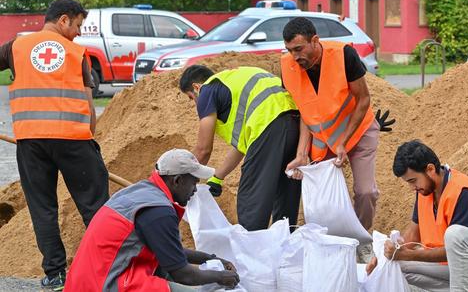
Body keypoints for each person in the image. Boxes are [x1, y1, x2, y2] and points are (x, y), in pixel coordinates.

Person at [0, 0, 109, 290]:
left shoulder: (15, 47)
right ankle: (111, 268)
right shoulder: (76, 53)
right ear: (63, 20)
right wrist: (90, 140)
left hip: (31, 141)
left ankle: (55, 274)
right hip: (73, 139)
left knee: (42, 207)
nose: (78, 33)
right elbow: (88, 106)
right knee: (96, 207)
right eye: (77, 25)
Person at [65, 149, 240, 291]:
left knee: (163, 269)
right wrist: (220, 277)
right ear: (177, 181)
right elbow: (182, 274)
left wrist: (210, 258)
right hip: (106, 284)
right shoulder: (159, 211)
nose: (195, 190)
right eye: (193, 183)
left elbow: (171, 252)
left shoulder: (142, 193)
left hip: (90, 280)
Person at [281, 18, 381, 254]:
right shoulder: (288, 66)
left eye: (298, 49)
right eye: (289, 51)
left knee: (365, 192)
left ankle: (361, 241)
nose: (294, 57)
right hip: (323, 138)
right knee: (323, 198)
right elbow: (305, 111)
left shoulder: (344, 55)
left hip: (358, 131)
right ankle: (331, 243)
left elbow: (363, 99)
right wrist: (301, 154)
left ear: (315, 41)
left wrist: (344, 142)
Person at [366, 140, 468, 292]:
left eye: (413, 181)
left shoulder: (462, 191)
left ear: (430, 169)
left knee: (455, 234)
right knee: (395, 267)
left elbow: (456, 248)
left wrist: (409, 254)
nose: (412, 188)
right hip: (460, 265)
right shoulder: (425, 190)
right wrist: (385, 258)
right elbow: (413, 234)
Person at [179, 64, 301, 231]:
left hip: (269, 125)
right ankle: (286, 243)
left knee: (251, 197)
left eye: (191, 98)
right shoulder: (234, 84)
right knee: (285, 191)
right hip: (296, 122)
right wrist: (217, 177)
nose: (194, 104)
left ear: (196, 87)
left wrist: (181, 178)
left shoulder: (207, 90)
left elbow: (203, 149)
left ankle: (250, 248)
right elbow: (243, 147)